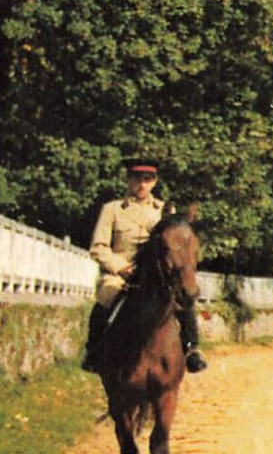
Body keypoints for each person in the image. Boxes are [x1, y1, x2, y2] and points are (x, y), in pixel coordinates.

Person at [81, 158, 207, 374]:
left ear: (154, 182)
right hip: (121, 274)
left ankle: (191, 348)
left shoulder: (165, 210)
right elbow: (98, 247)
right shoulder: (112, 209)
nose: (142, 185)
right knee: (107, 298)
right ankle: (94, 351)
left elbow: (175, 245)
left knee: (182, 298)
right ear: (128, 180)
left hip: (155, 275)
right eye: (137, 179)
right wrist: (120, 267)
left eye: (147, 180)